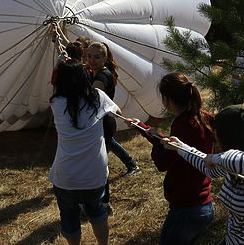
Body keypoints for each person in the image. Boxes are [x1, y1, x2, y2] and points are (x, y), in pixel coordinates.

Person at [160, 105, 244, 245]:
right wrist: (180, 147)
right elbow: (209, 167)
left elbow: (235, 160)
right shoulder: (230, 163)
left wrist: (216, 158)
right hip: (232, 240)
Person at [125, 72, 215, 245]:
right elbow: (174, 146)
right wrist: (143, 128)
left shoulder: (183, 125)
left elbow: (162, 161)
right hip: (203, 204)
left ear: (166, 99)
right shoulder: (200, 116)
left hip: (187, 209)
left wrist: (156, 144)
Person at [49, 59, 118, 245]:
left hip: (66, 175)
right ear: (84, 76)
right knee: (97, 211)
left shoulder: (56, 102)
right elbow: (115, 111)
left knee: (69, 217)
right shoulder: (98, 97)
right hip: (94, 173)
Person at [86, 42, 140, 178]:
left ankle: (132, 165)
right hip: (101, 117)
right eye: (90, 56)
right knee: (107, 144)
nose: (92, 60)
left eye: (96, 57)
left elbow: (94, 94)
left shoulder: (102, 76)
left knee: (108, 143)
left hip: (105, 118)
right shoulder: (96, 72)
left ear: (104, 58)